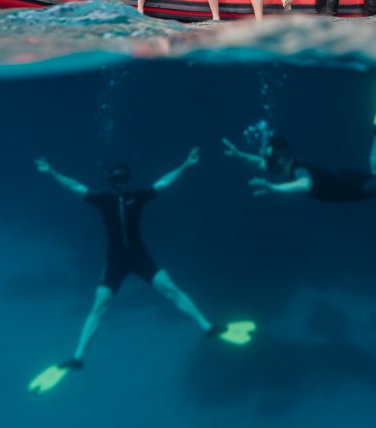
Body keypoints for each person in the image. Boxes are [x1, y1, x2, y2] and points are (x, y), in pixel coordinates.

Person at [29, 150, 255, 394]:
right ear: (110, 180)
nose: (119, 182)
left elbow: (163, 182)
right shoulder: (102, 199)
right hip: (116, 261)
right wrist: (51, 172)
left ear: (127, 178)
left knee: (172, 290)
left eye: (122, 177)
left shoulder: (138, 196)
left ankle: (208, 327)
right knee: (99, 308)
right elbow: (75, 186)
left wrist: (184, 164)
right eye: (116, 178)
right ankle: (77, 357)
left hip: (139, 258)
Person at [224, 72, 376, 203]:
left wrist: (274, 188)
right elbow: (259, 163)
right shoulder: (284, 165)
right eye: (268, 158)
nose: (268, 162)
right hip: (345, 179)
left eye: (271, 158)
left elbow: (304, 184)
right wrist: (239, 155)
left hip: (357, 187)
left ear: (283, 155)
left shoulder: (300, 171)